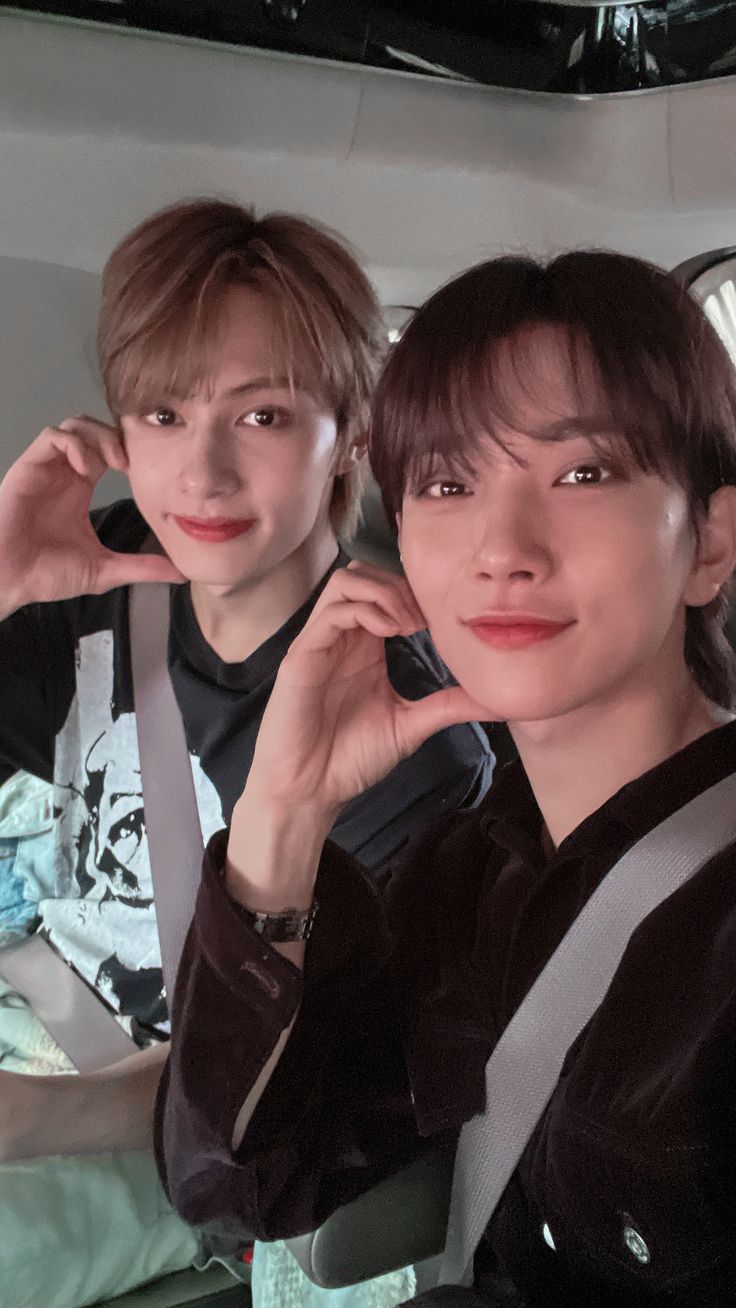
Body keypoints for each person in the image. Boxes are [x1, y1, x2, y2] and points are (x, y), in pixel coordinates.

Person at [157, 249, 736, 1308]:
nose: (501, 550)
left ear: (708, 543)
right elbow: (242, 1187)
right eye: (449, 484)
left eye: (581, 474)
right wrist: (279, 819)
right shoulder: (469, 871)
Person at [0, 198, 492, 1308]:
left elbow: (287, 1100)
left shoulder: (401, 737)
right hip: (39, 1003)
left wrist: (24, 1119)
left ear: (351, 432)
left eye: (262, 416)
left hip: (167, 1124)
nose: (202, 478)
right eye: (164, 416)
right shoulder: (98, 576)